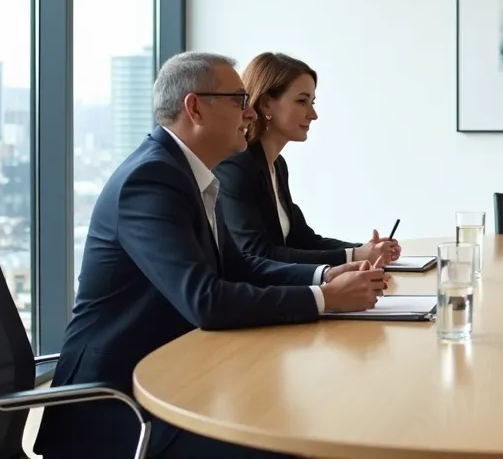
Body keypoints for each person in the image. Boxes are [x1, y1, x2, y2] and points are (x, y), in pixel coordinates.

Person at [33, 52, 389, 459]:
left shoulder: (191, 172)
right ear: (195, 107)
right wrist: (327, 300)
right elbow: (205, 300)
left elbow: (240, 266)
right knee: (291, 443)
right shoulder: (150, 180)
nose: (250, 113)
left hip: (169, 378)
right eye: (239, 100)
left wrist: (325, 277)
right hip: (115, 406)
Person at [215, 52, 401, 266]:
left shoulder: (277, 165)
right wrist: (354, 256)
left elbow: (302, 240)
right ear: (266, 104)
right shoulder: (236, 166)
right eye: (302, 101)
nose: (313, 114)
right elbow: (258, 253)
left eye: (312, 101)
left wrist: (364, 249)